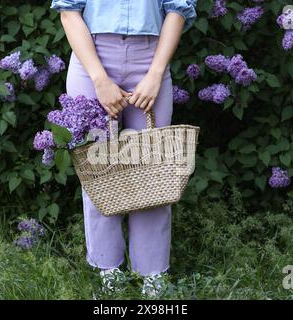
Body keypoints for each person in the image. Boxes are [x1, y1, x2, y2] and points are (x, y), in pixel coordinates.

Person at [50, 0, 197, 298]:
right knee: (99, 171)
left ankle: (152, 274)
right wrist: (99, 79)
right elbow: (69, 11)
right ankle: (108, 270)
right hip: (93, 58)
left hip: (150, 58)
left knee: (153, 171)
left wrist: (156, 74)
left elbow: (177, 9)